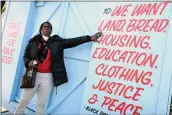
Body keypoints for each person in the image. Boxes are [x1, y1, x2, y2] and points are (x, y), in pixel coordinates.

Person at [15, 21, 103, 115]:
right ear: (41, 30)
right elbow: (26, 56)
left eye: (49, 27)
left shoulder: (57, 42)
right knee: (24, 100)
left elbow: (72, 41)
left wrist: (89, 38)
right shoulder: (33, 42)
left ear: (51, 30)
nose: (46, 27)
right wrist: (29, 63)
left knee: (41, 103)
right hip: (33, 75)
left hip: (48, 77)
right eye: (44, 26)